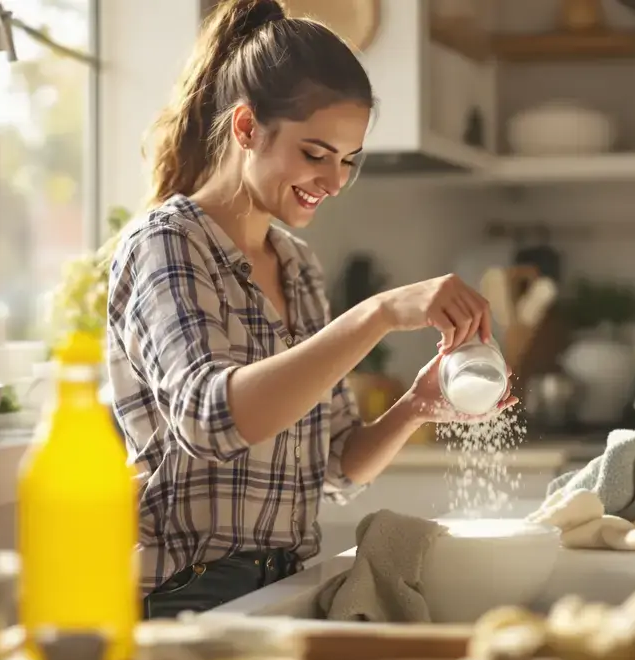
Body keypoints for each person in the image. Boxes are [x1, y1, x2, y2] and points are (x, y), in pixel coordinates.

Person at [106, 0, 517, 620]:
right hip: (184, 600)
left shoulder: (296, 265)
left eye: (348, 161)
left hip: (287, 587)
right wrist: (377, 313)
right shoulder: (168, 243)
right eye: (315, 153)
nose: (332, 180)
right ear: (246, 129)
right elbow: (210, 419)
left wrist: (417, 406)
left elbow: (337, 465)